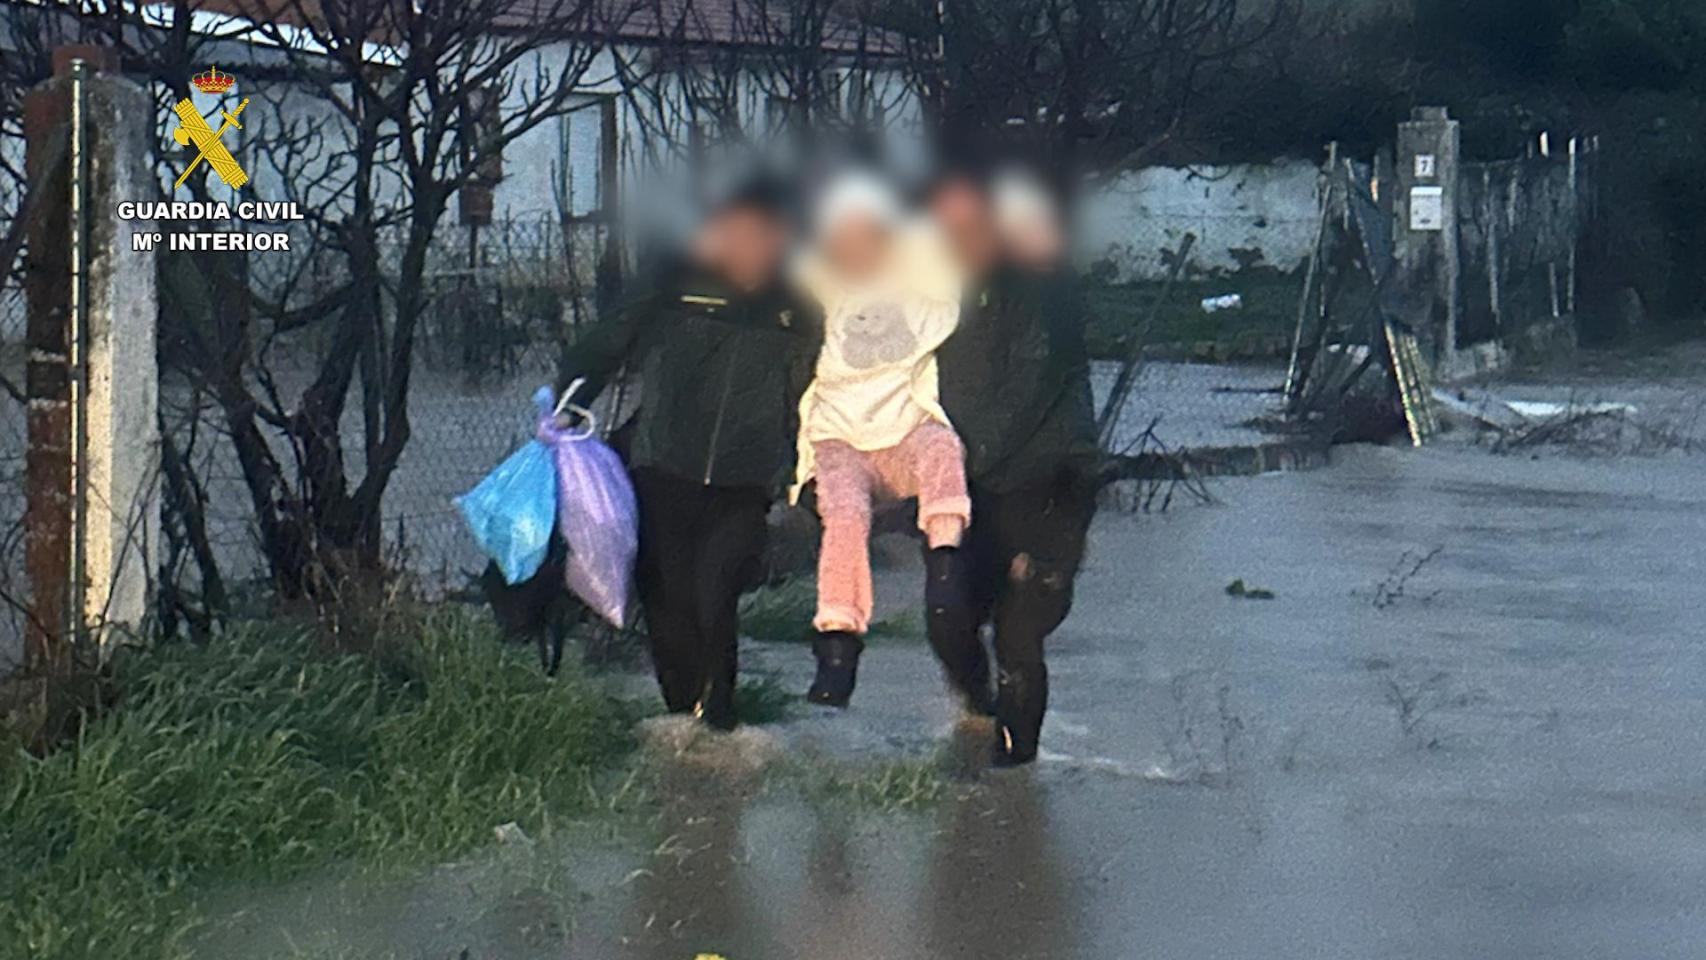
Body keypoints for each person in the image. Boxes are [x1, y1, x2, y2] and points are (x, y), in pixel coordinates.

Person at [555, 179, 821, 730]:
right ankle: (685, 723)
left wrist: (801, 474)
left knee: (715, 593)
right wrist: (567, 401)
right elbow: (610, 341)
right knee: (668, 604)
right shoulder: (673, 285)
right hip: (663, 471)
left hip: (744, 484)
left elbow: (817, 395)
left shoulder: (797, 309)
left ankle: (720, 718)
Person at [927, 168, 1101, 766]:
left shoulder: (1040, 292)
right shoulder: (926, 294)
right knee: (948, 618)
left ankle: (1016, 775)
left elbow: (1030, 387)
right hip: (967, 492)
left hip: (1050, 486)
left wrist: (953, 460)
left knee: (1020, 633)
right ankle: (978, 715)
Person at [790, 171, 970, 708]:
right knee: (844, 516)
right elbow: (795, 258)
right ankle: (838, 644)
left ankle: (943, 566)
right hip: (838, 438)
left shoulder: (923, 292)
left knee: (942, 447)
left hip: (903, 434)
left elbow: (937, 254)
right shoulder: (822, 287)